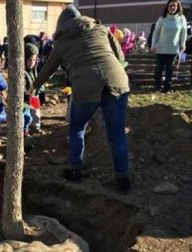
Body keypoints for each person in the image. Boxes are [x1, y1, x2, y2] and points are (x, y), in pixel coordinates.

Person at [32, 5, 131, 193]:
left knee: (77, 128)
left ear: (61, 25)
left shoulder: (61, 43)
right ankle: (123, 179)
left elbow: (48, 69)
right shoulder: (100, 29)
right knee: (117, 135)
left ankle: (76, 169)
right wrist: (116, 71)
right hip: (117, 82)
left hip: (85, 88)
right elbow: (119, 55)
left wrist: (34, 87)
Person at [151, 0, 187, 93]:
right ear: (167, 7)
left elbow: (184, 33)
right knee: (159, 69)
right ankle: (157, 86)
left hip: (173, 50)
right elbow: (156, 33)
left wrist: (183, 44)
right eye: (170, 5)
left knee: (169, 70)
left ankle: (167, 88)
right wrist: (153, 45)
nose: (172, 7)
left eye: (174, 5)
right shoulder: (162, 19)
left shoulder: (181, 18)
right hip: (161, 49)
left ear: (178, 7)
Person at [23, 43, 45, 136]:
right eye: (29, 60)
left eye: (34, 60)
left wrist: (40, 89)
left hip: (34, 94)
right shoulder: (23, 71)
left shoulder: (35, 68)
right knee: (26, 115)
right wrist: (26, 93)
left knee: (36, 111)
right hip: (26, 96)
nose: (32, 62)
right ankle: (24, 130)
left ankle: (36, 126)